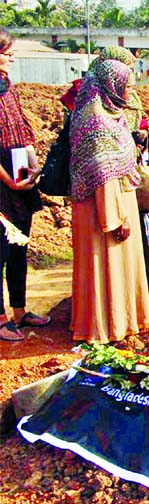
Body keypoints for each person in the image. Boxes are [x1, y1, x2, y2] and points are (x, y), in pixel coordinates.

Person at [69, 59, 149, 342]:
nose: (130, 91)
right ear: (111, 85)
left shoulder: (107, 113)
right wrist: (115, 218)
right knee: (107, 267)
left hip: (113, 202)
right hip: (103, 209)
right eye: (127, 85)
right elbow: (102, 173)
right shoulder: (96, 119)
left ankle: (122, 320)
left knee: (113, 267)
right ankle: (108, 327)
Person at [0, 29, 51, 342]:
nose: (13, 58)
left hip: (19, 176)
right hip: (3, 184)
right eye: (7, 53)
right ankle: (1, 318)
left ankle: (19, 310)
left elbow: (23, 130)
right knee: (0, 251)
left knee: (20, 247)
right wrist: (9, 182)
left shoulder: (7, 87)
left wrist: (32, 169)